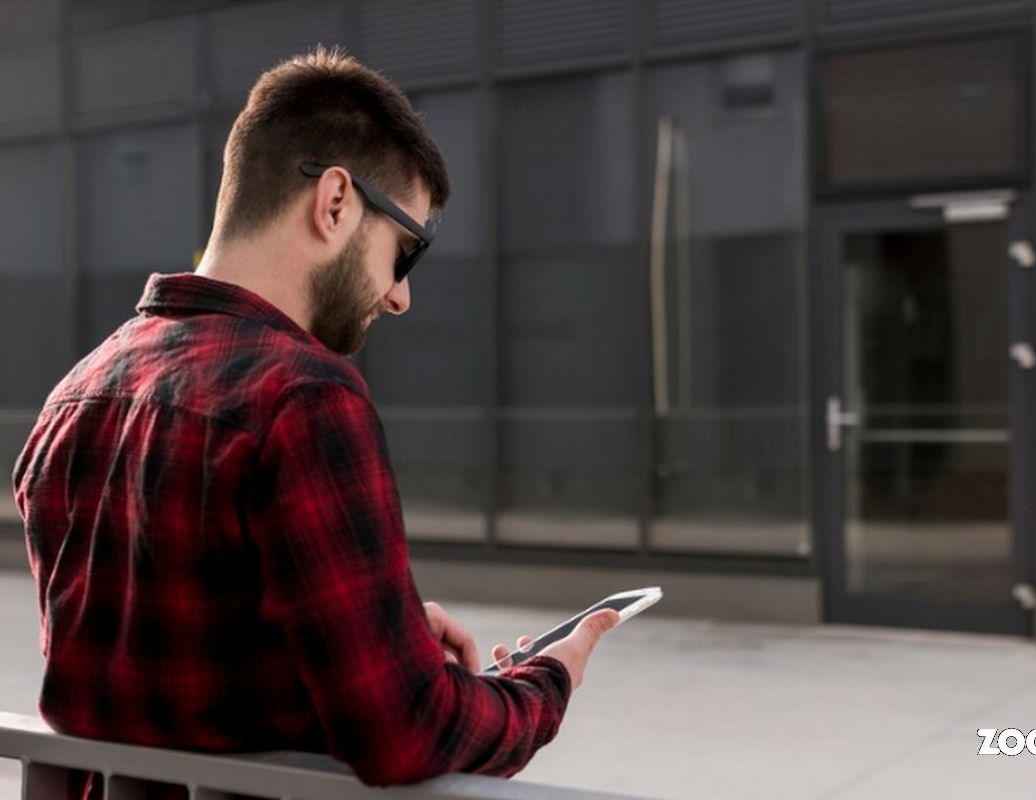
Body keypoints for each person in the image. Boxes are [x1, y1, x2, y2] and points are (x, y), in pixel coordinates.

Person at [9, 46, 619, 798]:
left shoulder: (78, 395)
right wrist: (544, 684)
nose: (400, 296)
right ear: (336, 202)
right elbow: (403, 732)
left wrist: (379, 631)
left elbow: (166, 677)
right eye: (407, 253)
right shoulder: (305, 399)